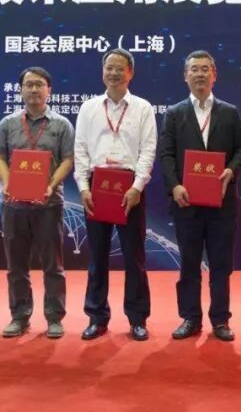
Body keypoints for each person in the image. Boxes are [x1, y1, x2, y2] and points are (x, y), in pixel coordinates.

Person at [159, 50, 241, 342]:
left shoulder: (229, 112)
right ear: (185, 76)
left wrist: (231, 171)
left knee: (221, 264)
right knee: (189, 263)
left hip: (222, 203)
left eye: (205, 69)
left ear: (214, 75)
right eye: (194, 69)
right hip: (186, 203)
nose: (199, 74)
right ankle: (190, 318)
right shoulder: (174, 114)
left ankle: (220, 320)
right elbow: (166, 154)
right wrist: (175, 185)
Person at [73, 48, 157, 341]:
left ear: (130, 73)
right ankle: (97, 317)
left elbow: (148, 150)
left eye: (120, 68)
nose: (113, 73)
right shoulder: (89, 108)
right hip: (97, 186)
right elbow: (80, 149)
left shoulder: (143, 108)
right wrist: (83, 187)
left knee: (134, 257)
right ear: (102, 72)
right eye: (109, 68)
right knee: (97, 256)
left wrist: (137, 187)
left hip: (129, 187)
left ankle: (137, 318)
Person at [0, 66, 75, 339]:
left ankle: (54, 317)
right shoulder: (8, 123)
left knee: (53, 265)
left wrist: (52, 184)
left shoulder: (62, 125)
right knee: (16, 266)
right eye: (28, 85)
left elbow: (68, 160)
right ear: (21, 90)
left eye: (39, 84)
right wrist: (7, 182)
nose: (34, 90)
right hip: (14, 205)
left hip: (49, 205)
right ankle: (19, 316)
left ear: (49, 89)